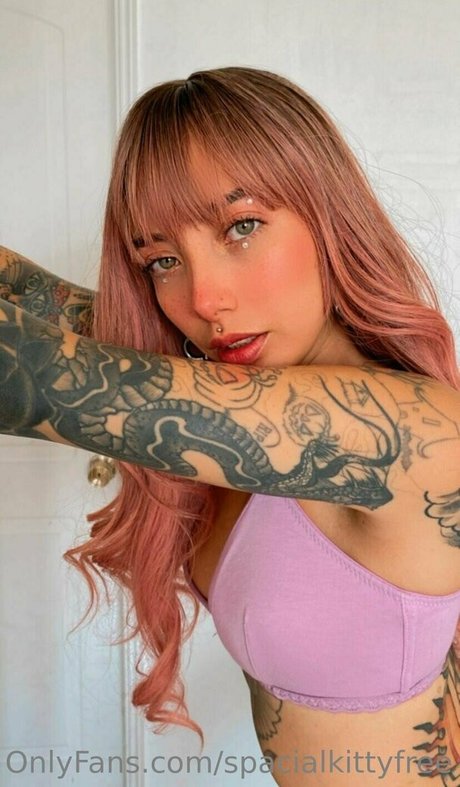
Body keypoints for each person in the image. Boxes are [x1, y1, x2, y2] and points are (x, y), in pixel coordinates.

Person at [0, 66, 459, 786]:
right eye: (162, 260)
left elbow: (28, 373)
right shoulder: (234, 381)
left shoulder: (407, 430)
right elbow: (26, 293)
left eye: (242, 227)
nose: (205, 299)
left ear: (328, 214)